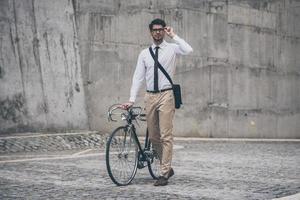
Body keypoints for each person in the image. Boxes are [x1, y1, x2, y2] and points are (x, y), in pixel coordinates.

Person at [122, 18, 193, 186]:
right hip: (150, 96)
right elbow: (138, 78)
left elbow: (189, 50)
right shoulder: (144, 53)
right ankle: (166, 166)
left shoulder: (172, 49)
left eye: (161, 29)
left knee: (166, 135)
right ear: (151, 32)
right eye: (155, 30)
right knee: (154, 137)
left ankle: (163, 174)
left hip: (166, 95)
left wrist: (174, 35)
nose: (158, 32)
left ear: (164, 31)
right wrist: (131, 99)